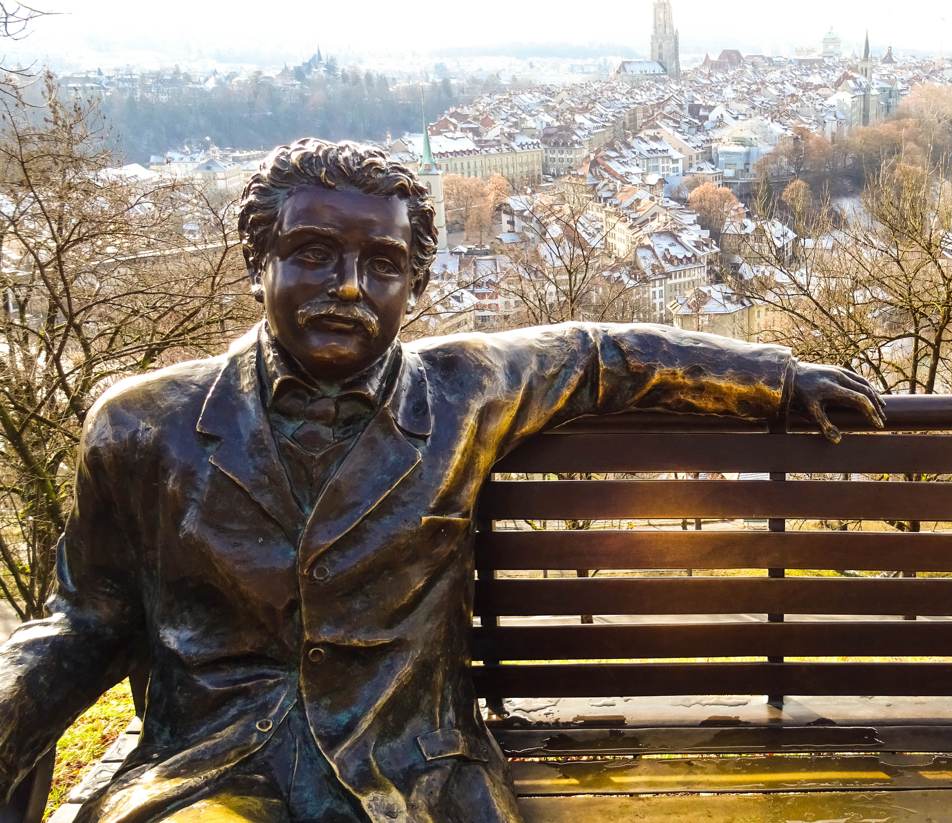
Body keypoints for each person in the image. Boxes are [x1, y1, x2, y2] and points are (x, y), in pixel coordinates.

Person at [0, 139, 885, 822]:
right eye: (312, 253)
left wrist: (776, 378)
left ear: (416, 282)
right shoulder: (141, 423)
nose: (347, 288)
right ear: (255, 261)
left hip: (411, 768)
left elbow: (601, 353)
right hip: (215, 768)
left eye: (382, 266)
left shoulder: (467, 392)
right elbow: (88, 622)